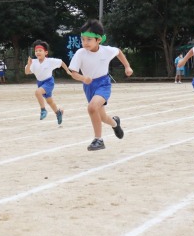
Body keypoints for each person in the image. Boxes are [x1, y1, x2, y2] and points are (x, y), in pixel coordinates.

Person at [69, 19, 133, 151]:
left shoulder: (106, 51)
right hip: (89, 86)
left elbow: (119, 52)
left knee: (92, 108)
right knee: (102, 117)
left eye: (89, 40)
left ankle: (98, 139)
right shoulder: (80, 53)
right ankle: (115, 123)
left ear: (98, 40)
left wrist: (127, 66)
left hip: (103, 83)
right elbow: (73, 72)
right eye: (83, 39)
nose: (85, 43)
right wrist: (83, 78)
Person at [25, 40, 72, 125]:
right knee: (50, 101)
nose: (38, 52)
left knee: (38, 92)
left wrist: (67, 70)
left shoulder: (50, 61)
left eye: (40, 50)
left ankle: (43, 110)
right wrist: (28, 64)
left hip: (49, 82)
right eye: (36, 51)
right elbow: (27, 72)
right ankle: (58, 113)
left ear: (46, 52)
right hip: (40, 83)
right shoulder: (33, 62)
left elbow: (61, 62)